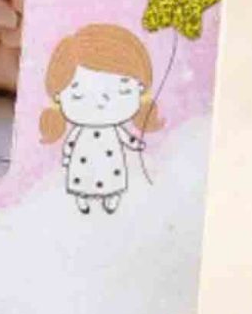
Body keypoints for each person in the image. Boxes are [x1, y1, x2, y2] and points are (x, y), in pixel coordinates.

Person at [39, 23, 165, 214]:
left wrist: (136, 144)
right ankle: (81, 198)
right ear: (58, 96)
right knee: (82, 178)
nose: (101, 101)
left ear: (140, 89)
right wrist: (66, 155)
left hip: (110, 161)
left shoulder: (115, 130)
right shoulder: (79, 131)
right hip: (83, 159)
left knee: (112, 178)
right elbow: (71, 142)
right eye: (78, 95)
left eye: (122, 90)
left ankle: (112, 198)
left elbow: (126, 138)